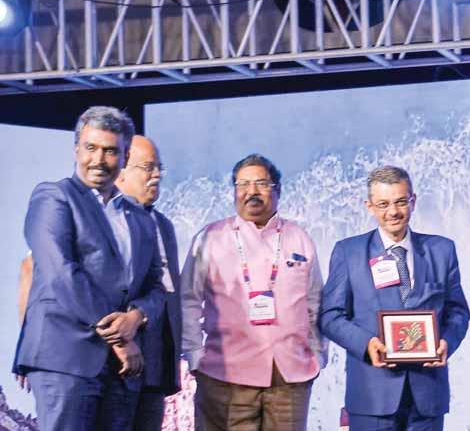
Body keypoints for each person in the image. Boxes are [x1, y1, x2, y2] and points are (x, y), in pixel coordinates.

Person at [12, 106, 165, 430]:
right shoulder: (53, 197)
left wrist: (137, 316)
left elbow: (154, 285)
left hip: (121, 372)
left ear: (124, 157)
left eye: (110, 150)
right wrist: (120, 339)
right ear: (76, 150)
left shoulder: (140, 217)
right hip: (66, 360)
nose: (98, 159)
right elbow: (62, 275)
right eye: (90, 147)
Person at [180, 153, 326, 431]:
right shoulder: (210, 237)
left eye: (261, 183)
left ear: (277, 190)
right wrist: (194, 353)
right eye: (243, 184)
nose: (252, 192)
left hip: (289, 379)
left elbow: (314, 301)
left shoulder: (299, 237)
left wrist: (318, 354)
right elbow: (188, 299)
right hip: (225, 376)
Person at [319, 165, 470, 431]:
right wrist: (366, 344)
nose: (393, 212)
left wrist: (447, 342)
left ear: (413, 201)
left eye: (401, 201)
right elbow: (330, 316)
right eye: (383, 204)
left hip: (427, 395)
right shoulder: (348, 252)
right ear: (369, 206)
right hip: (371, 395)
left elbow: (458, 312)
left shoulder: (442, 250)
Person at [116, 135, 182, 430]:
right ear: (120, 172)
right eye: (147, 167)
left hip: (157, 359)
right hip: (120, 357)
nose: (156, 175)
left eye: (159, 168)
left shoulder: (163, 224)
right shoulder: (104, 219)